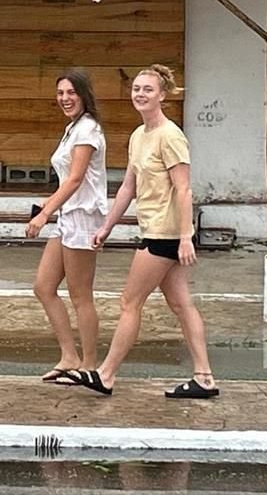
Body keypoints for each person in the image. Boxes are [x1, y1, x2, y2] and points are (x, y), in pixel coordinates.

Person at [73, 64, 219, 399]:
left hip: (164, 234)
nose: (140, 94)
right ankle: (205, 377)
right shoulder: (139, 136)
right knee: (182, 305)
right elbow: (129, 185)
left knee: (130, 302)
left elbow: (184, 189)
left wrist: (186, 236)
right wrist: (107, 225)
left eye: (148, 89)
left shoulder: (171, 136)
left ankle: (106, 374)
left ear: (162, 95)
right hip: (154, 228)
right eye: (137, 88)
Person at [26, 70, 108, 383]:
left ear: (84, 94)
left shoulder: (87, 129)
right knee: (44, 287)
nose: (65, 98)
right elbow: (67, 180)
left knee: (80, 295)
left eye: (71, 92)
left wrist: (44, 213)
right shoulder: (72, 128)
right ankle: (68, 356)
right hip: (69, 216)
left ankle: (88, 366)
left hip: (84, 217)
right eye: (60, 93)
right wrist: (50, 207)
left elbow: (75, 178)